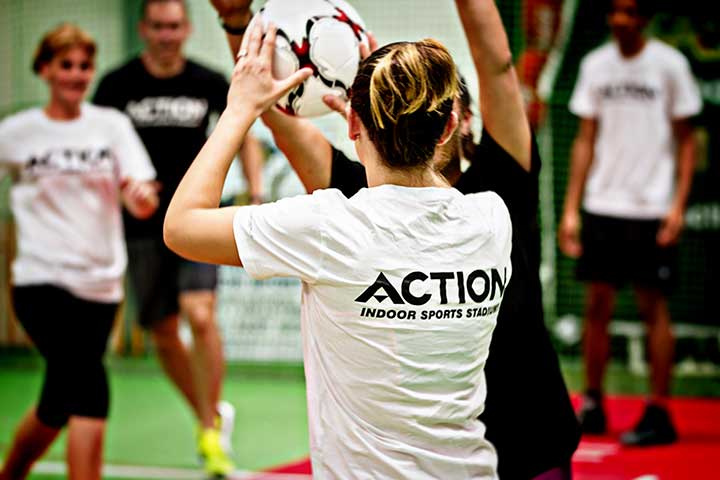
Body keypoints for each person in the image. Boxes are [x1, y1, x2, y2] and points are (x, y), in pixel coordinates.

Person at [210, 0, 581, 477]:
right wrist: (238, 24)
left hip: (530, 436)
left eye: (433, 105)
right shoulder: (360, 205)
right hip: (424, 457)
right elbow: (280, 118)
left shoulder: (499, 189)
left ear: (458, 121)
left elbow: (498, 64)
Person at [93, 1, 263, 474]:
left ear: (187, 28)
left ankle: (209, 429)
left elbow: (245, 131)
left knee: (199, 313)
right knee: (163, 331)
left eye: (174, 26)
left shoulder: (208, 81)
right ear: (144, 29)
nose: (166, 34)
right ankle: (208, 418)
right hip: (141, 226)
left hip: (198, 218)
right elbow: (98, 149)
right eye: (157, 26)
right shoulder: (116, 86)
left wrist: (257, 188)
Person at [0, 24, 158, 480]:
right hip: (41, 280)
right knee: (88, 383)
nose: (76, 74)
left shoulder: (111, 126)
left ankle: (11, 472)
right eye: (65, 65)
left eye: (84, 65)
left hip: (101, 284)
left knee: (59, 397)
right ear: (45, 69)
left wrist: (142, 197)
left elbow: (138, 193)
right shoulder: (17, 132)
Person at [558, 0, 701, 446]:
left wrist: (677, 205)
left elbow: (687, 140)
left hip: (652, 207)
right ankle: (594, 405)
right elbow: (584, 139)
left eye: (631, 11)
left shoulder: (670, 65)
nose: (621, 19)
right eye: (615, 10)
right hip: (603, 204)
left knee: (651, 307)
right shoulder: (595, 65)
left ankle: (659, 412)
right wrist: (571, 208)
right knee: (596, 307)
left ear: (645, 18)